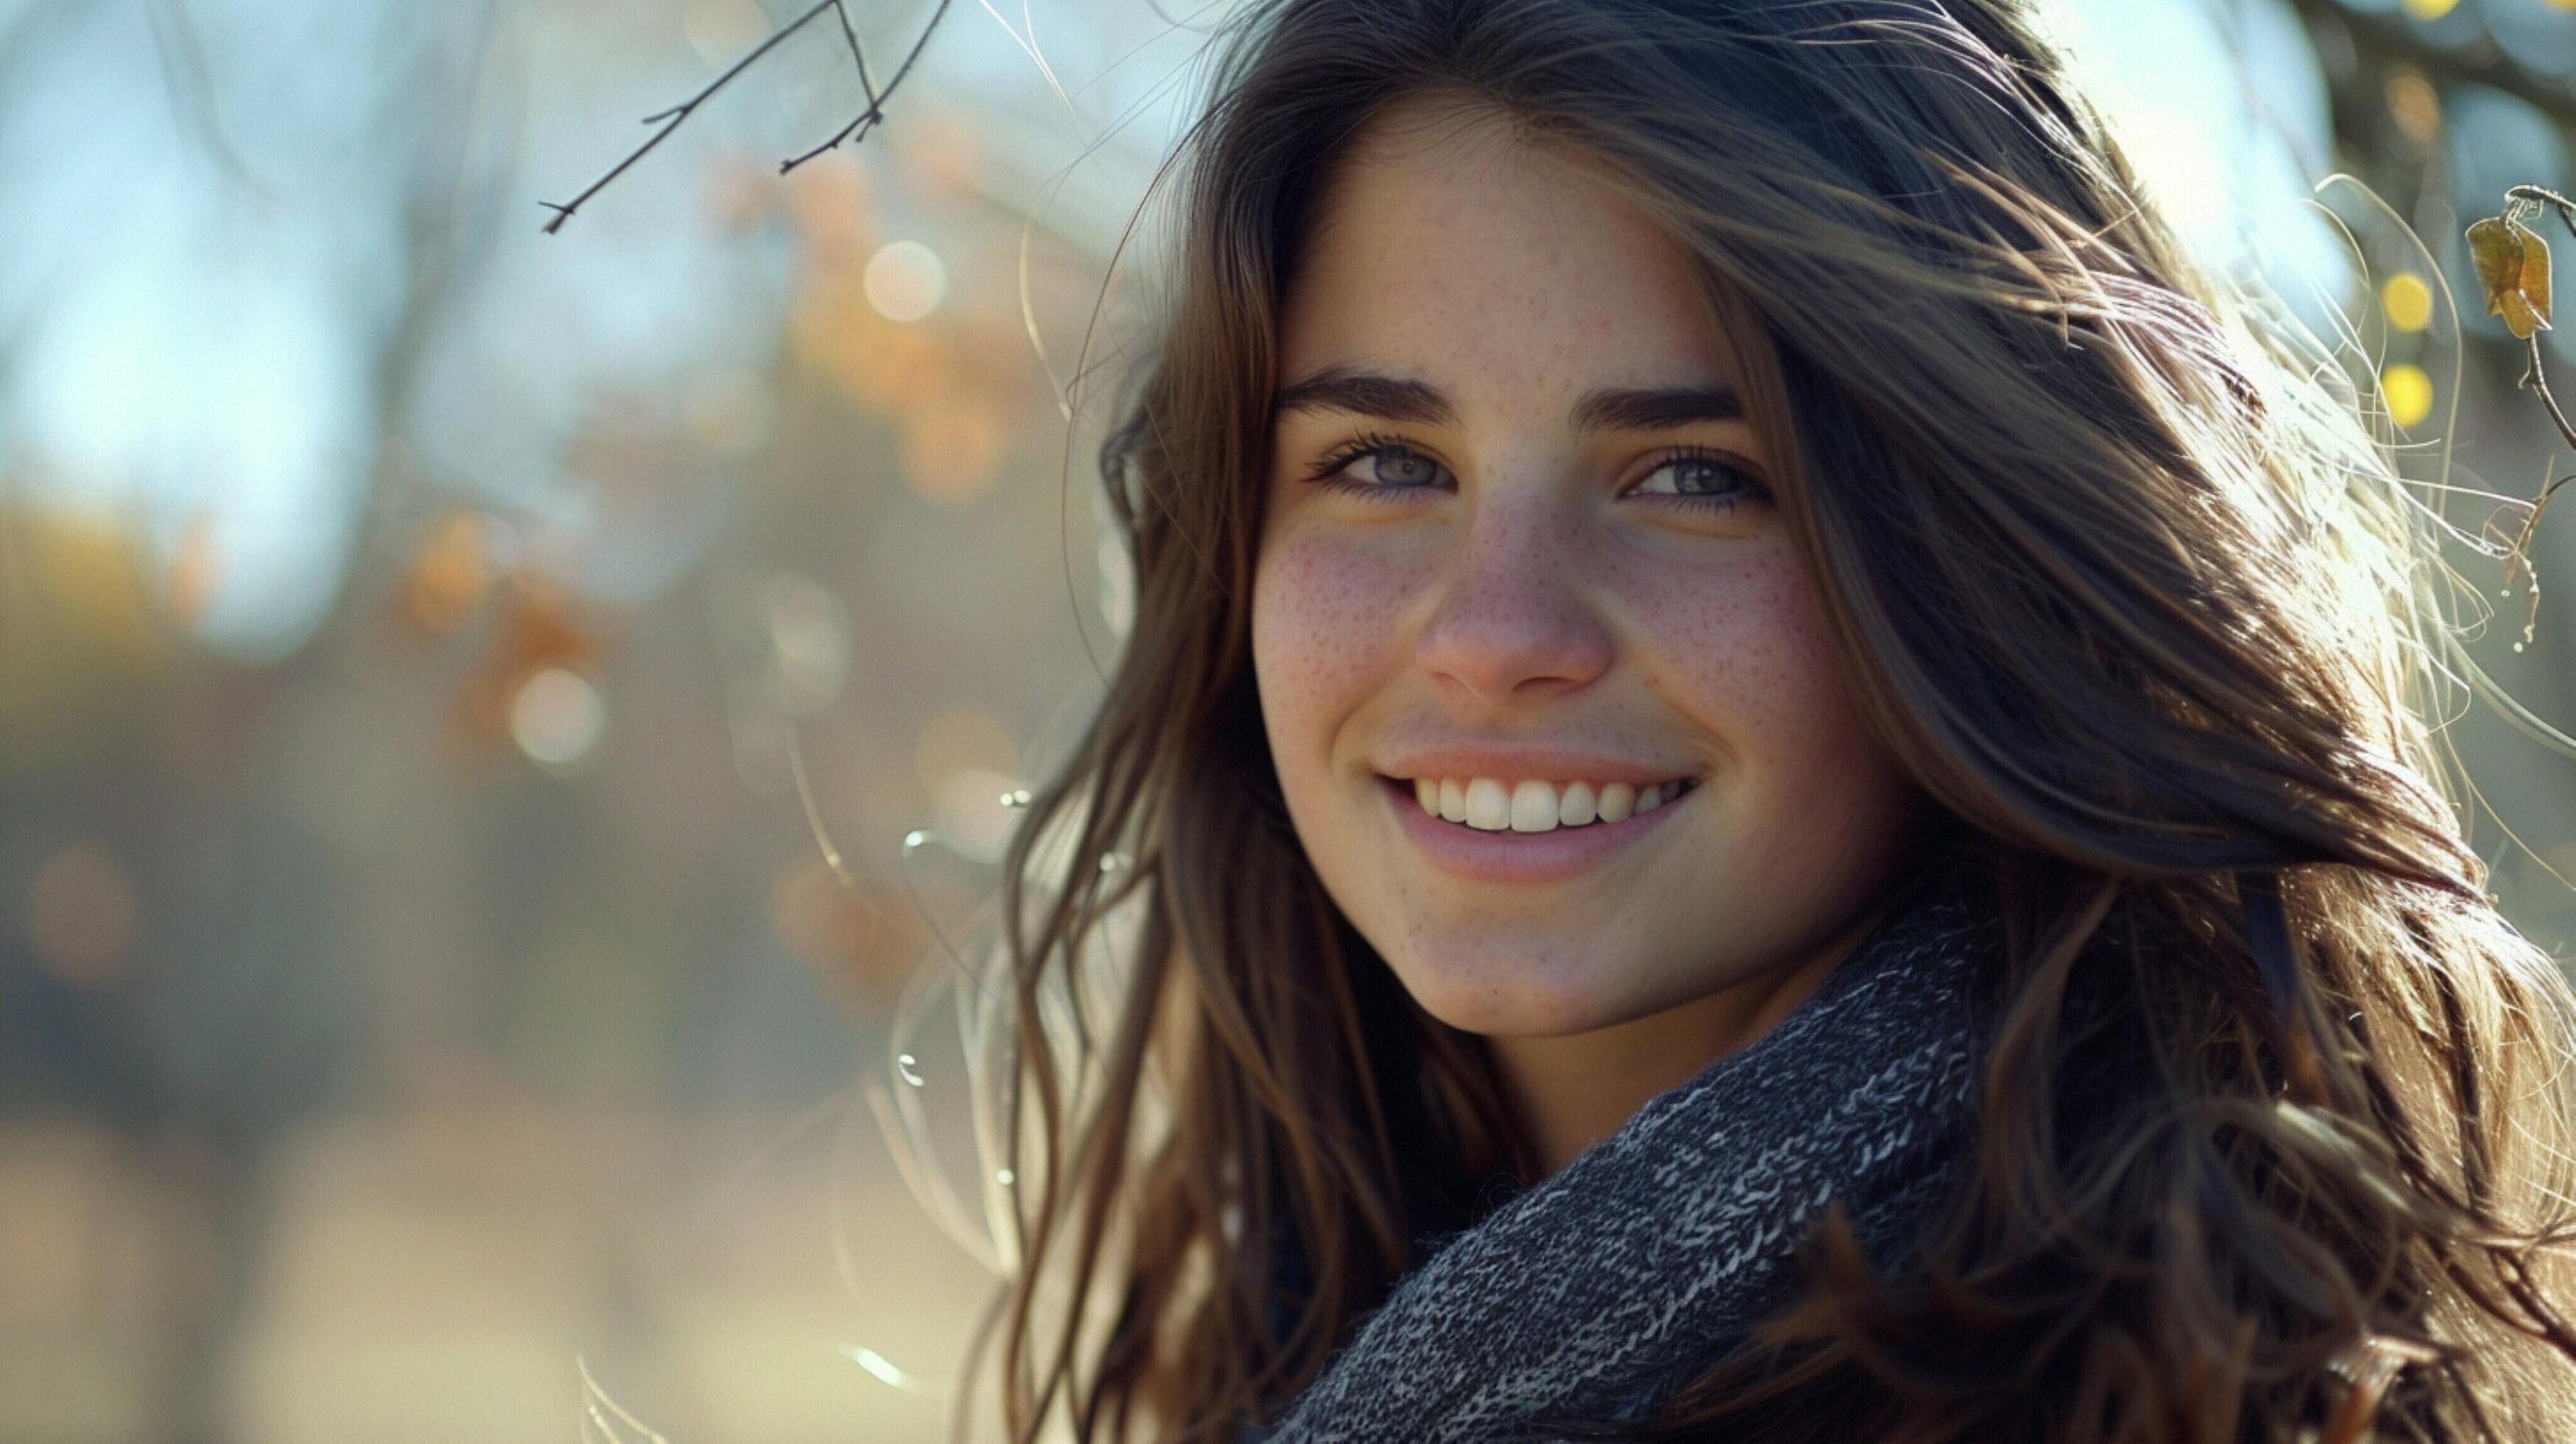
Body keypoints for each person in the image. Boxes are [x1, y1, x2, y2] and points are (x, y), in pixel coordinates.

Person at [948, 1, 2576, 1438]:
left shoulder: (2229, 1387)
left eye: (1697, 477)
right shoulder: (1292, 1346)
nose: (1498, 635)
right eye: (1386, 463)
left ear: (1975, 557)